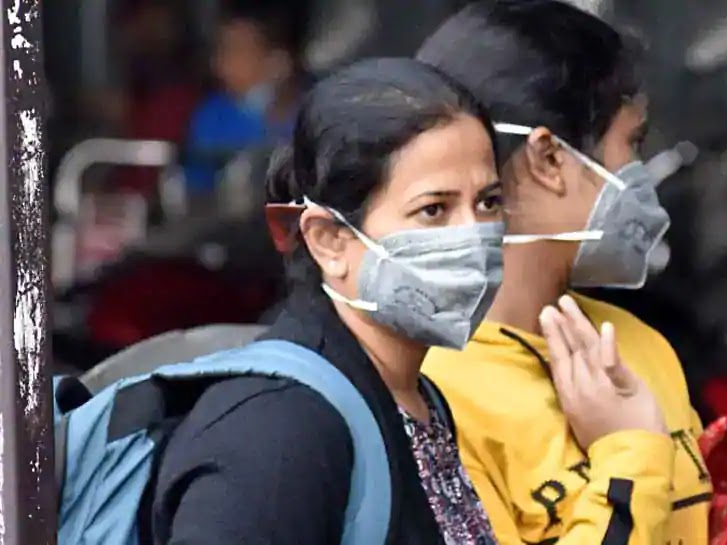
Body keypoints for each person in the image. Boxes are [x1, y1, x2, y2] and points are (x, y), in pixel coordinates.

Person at [150, 57, 502, 545]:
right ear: (329, 240)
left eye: (488, 202)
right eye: (433, 210)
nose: (473, 236)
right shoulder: (277, 429)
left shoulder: (417, 396)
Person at [418, 2, 712, 544]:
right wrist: (629, 453)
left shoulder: (638, 346)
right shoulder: (430, 396)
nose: (640, 173)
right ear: (549, 159)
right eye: (632, 142)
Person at [182, 3, 306, 194]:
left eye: (237, 50)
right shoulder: (212, 114)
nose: (221, 62)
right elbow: (195, 184)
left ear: (276, 60)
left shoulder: (304, 113)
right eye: (221, 50)